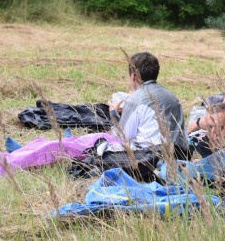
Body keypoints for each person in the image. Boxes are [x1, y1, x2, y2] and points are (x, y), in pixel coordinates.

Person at [72, 52, 188, 180]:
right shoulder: (170, 95)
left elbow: (122, 136)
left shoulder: (136, 99)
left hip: (152, 156)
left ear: (133, 76)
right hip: (181, 154)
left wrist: (113, 114)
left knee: (100, 153)